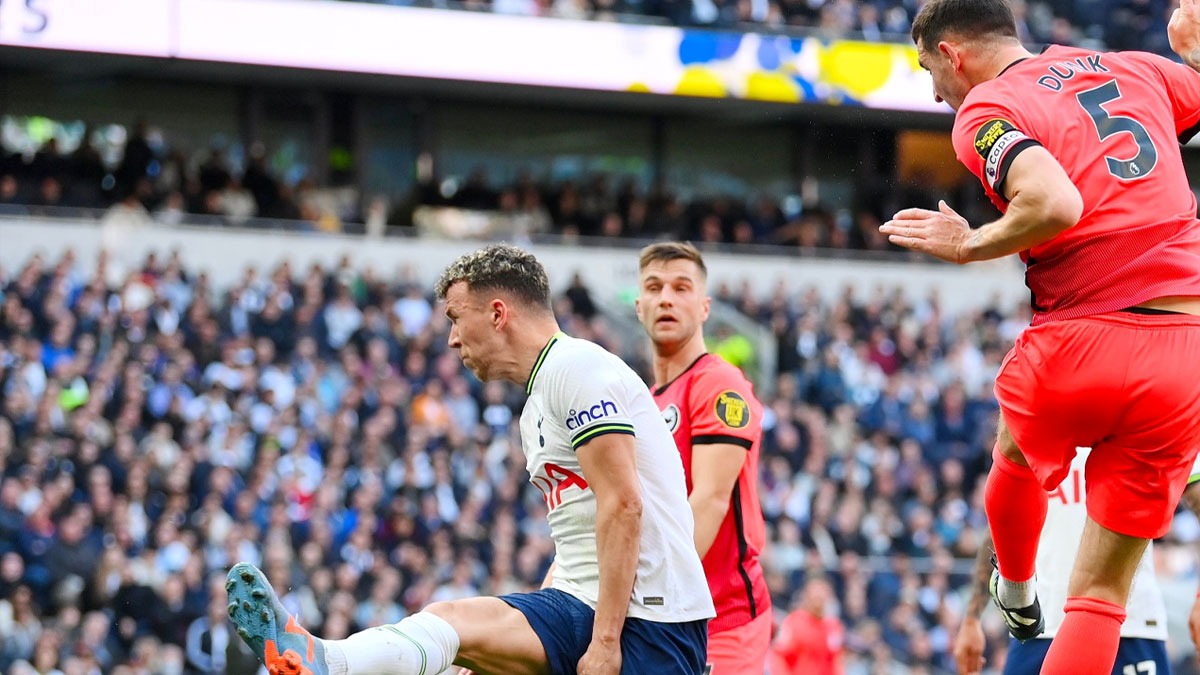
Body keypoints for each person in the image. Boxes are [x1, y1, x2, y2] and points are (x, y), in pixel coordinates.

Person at [881, 0, 1200, 670]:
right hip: (1183, 352)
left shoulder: (987, 108)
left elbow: (1054, 202)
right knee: (1100, 598)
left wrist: (969, 244)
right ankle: (1022, 589)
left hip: (1083, 333)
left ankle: (1018, 587)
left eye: (928, 70)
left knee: (1014, 450)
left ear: (952, 54)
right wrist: (1195, 50)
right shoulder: (1133, 68)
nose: (934, 92)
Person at [225, 243, 715, 675]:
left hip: (648, 621)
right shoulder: (537, 402)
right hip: (588, 607)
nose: (452, 339)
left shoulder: (578, 369)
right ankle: (326, 662)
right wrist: (495, 648)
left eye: (456, 318)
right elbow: (577, 540)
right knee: (454, 626)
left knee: (453, 620)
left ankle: (329, 663)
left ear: (498, 314)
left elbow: (624, 505)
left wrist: (605, 643)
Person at [635, 242, 773, 674]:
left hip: (722, 620)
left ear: (705, 307)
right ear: (638, 307)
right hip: (662, 617)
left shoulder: (718, 383)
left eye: (681, 287)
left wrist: (639, 599)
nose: (666, 298)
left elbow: (710, 500)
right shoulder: (643, 402)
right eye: (654, 288)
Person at [954, 450, 1200, 675]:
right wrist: (972, 618)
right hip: (1040, 625)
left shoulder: (1150, 420)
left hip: (1129, 626)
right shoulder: (1033, 427)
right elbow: (1003, 521)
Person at [767, 576, 844, 675]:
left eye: (822, 591)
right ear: (806, 595)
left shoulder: (833, 626)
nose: (818, 595)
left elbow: (836, 662)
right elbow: (778, 656)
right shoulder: (794, 622)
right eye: (815, 591)